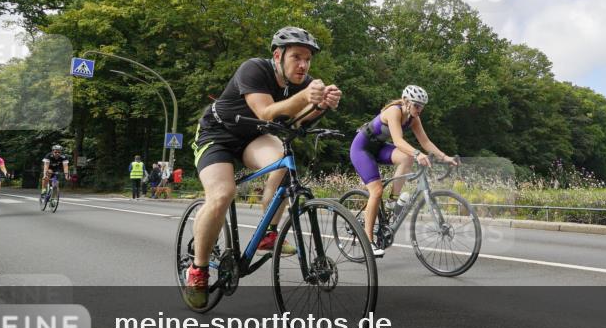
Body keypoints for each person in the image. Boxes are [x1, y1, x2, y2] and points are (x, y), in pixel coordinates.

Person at [185, 26, 341, 309]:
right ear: (278, 56)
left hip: (252, 138)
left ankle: (268, 233)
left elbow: (296, 121)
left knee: (283, 160)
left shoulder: (301, 84)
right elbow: (266, 112)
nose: (303, 65)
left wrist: (321, 106)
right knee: (222, 194)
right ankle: (198, 270)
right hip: (217, 135)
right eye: (296, 57)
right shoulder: (254, 69)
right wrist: (306, 97)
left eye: (308, 59)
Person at [350, 85, 457, 257]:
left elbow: (425, 142)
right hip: (361, 149)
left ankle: (392, 201)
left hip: (379, 148)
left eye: (422, 107)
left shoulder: (414, 118)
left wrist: (445, 157)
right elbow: (398, 141)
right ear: (406, 101)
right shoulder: (394, 111)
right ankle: (368, 242)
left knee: (407, 158)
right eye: (417, 105)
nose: (419, 110)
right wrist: (417, 154)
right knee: (376, 191)